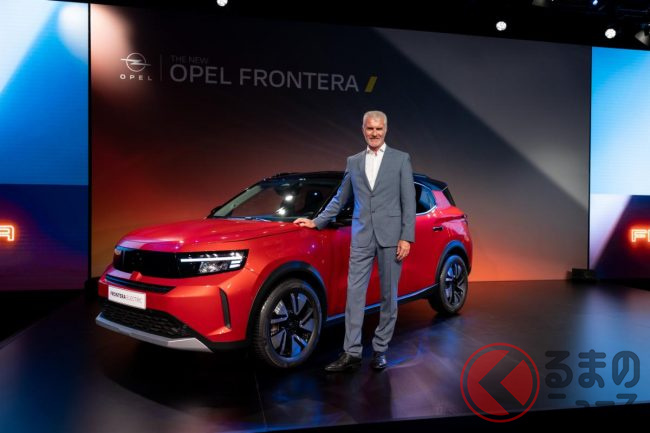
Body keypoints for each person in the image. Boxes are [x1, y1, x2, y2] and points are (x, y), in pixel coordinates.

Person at [293, 110, 416, 371]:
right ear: (363, 129)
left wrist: (406, 237)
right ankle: (352, 352)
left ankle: (380, 349)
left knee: (388, 296)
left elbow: (408, 200)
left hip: (391, 237)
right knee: (354, 296)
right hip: (361, 236)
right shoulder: (354, 161)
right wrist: (317, 221)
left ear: (386, 130)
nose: (374, 133)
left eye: (379, 129)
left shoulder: (401, 159)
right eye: (370, 128)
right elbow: (341, 197)